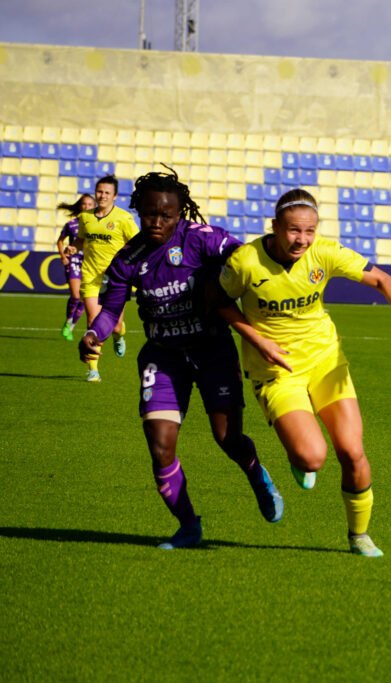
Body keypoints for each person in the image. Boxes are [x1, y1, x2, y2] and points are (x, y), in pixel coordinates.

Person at [78, 168, 283, 549]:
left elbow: (245, 258)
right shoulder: (128, 258)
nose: (157, 222)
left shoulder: (202, 239)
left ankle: (256, 474)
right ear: (138, 209)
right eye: (150, 214)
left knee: (227, 437)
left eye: (166, 215)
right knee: (160, 446)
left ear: (179, 213)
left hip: (212, 350)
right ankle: (189, 525)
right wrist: (93, 334)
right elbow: (110, 311)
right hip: (163, 356)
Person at [217, 188, 391, 557]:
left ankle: (358, 535)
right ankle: (300, 457)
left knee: (352, 451)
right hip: (276, 370)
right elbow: (216, 300)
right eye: (294, 230)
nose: (302, 239)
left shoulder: (324, 252)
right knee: (312, 457)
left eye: (309, 231)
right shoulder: (246, 261)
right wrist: (256, 338)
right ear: (275, 226)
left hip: (326, 362)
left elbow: (382, 280)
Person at [74, 175, 139, 381]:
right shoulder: (85, 217)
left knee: (115, 325)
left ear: (115, 196)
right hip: (91, 276)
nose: (102, 196)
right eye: (99, 191)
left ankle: (120, 334)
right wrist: (71, 248)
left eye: (107, 193)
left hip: (116, 278)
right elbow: (79, 241)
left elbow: (138, 243)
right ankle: (93, 369)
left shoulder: (123, 219)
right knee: (93, 321)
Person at [55, 193, 95, 340]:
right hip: (74, 260)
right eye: (84, 204)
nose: (86, 207)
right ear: (80, 206)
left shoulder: (96, 225)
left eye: (90, 205)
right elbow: (60, 241)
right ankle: (68, 322)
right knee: (76, 295)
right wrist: (63, 256)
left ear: (94, 207)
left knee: (86, 298)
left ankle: (70, 326)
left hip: (90, 263)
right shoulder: (71, 224)